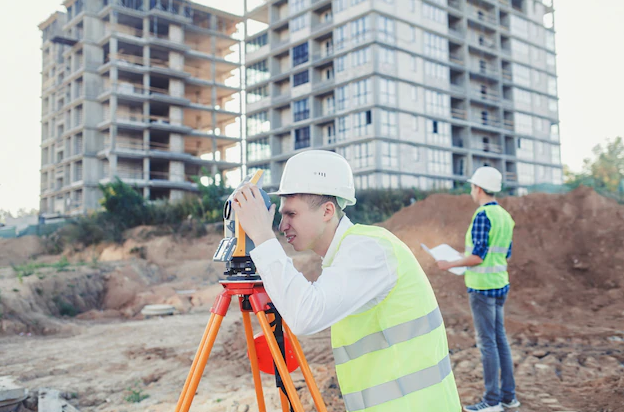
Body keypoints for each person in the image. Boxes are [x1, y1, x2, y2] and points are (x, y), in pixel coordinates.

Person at [232, 150, 461, 412]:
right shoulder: (344, 257)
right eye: (281, 215)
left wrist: (262, 235)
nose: (282, 225)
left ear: (328, 210)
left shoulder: (369, 249)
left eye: (291, 214)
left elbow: (304, 316)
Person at [437, 167, 520, 412]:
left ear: (479, 188)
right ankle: (508, 397)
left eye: (473, 186)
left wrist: (450, 263)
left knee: (488, 343)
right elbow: (505, 253)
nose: (472, 190)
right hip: (500, 284)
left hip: (482, 288)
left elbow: (477, 257)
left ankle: (492, 401)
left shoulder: (483, 216)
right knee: (500, 340)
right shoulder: (505, 216)